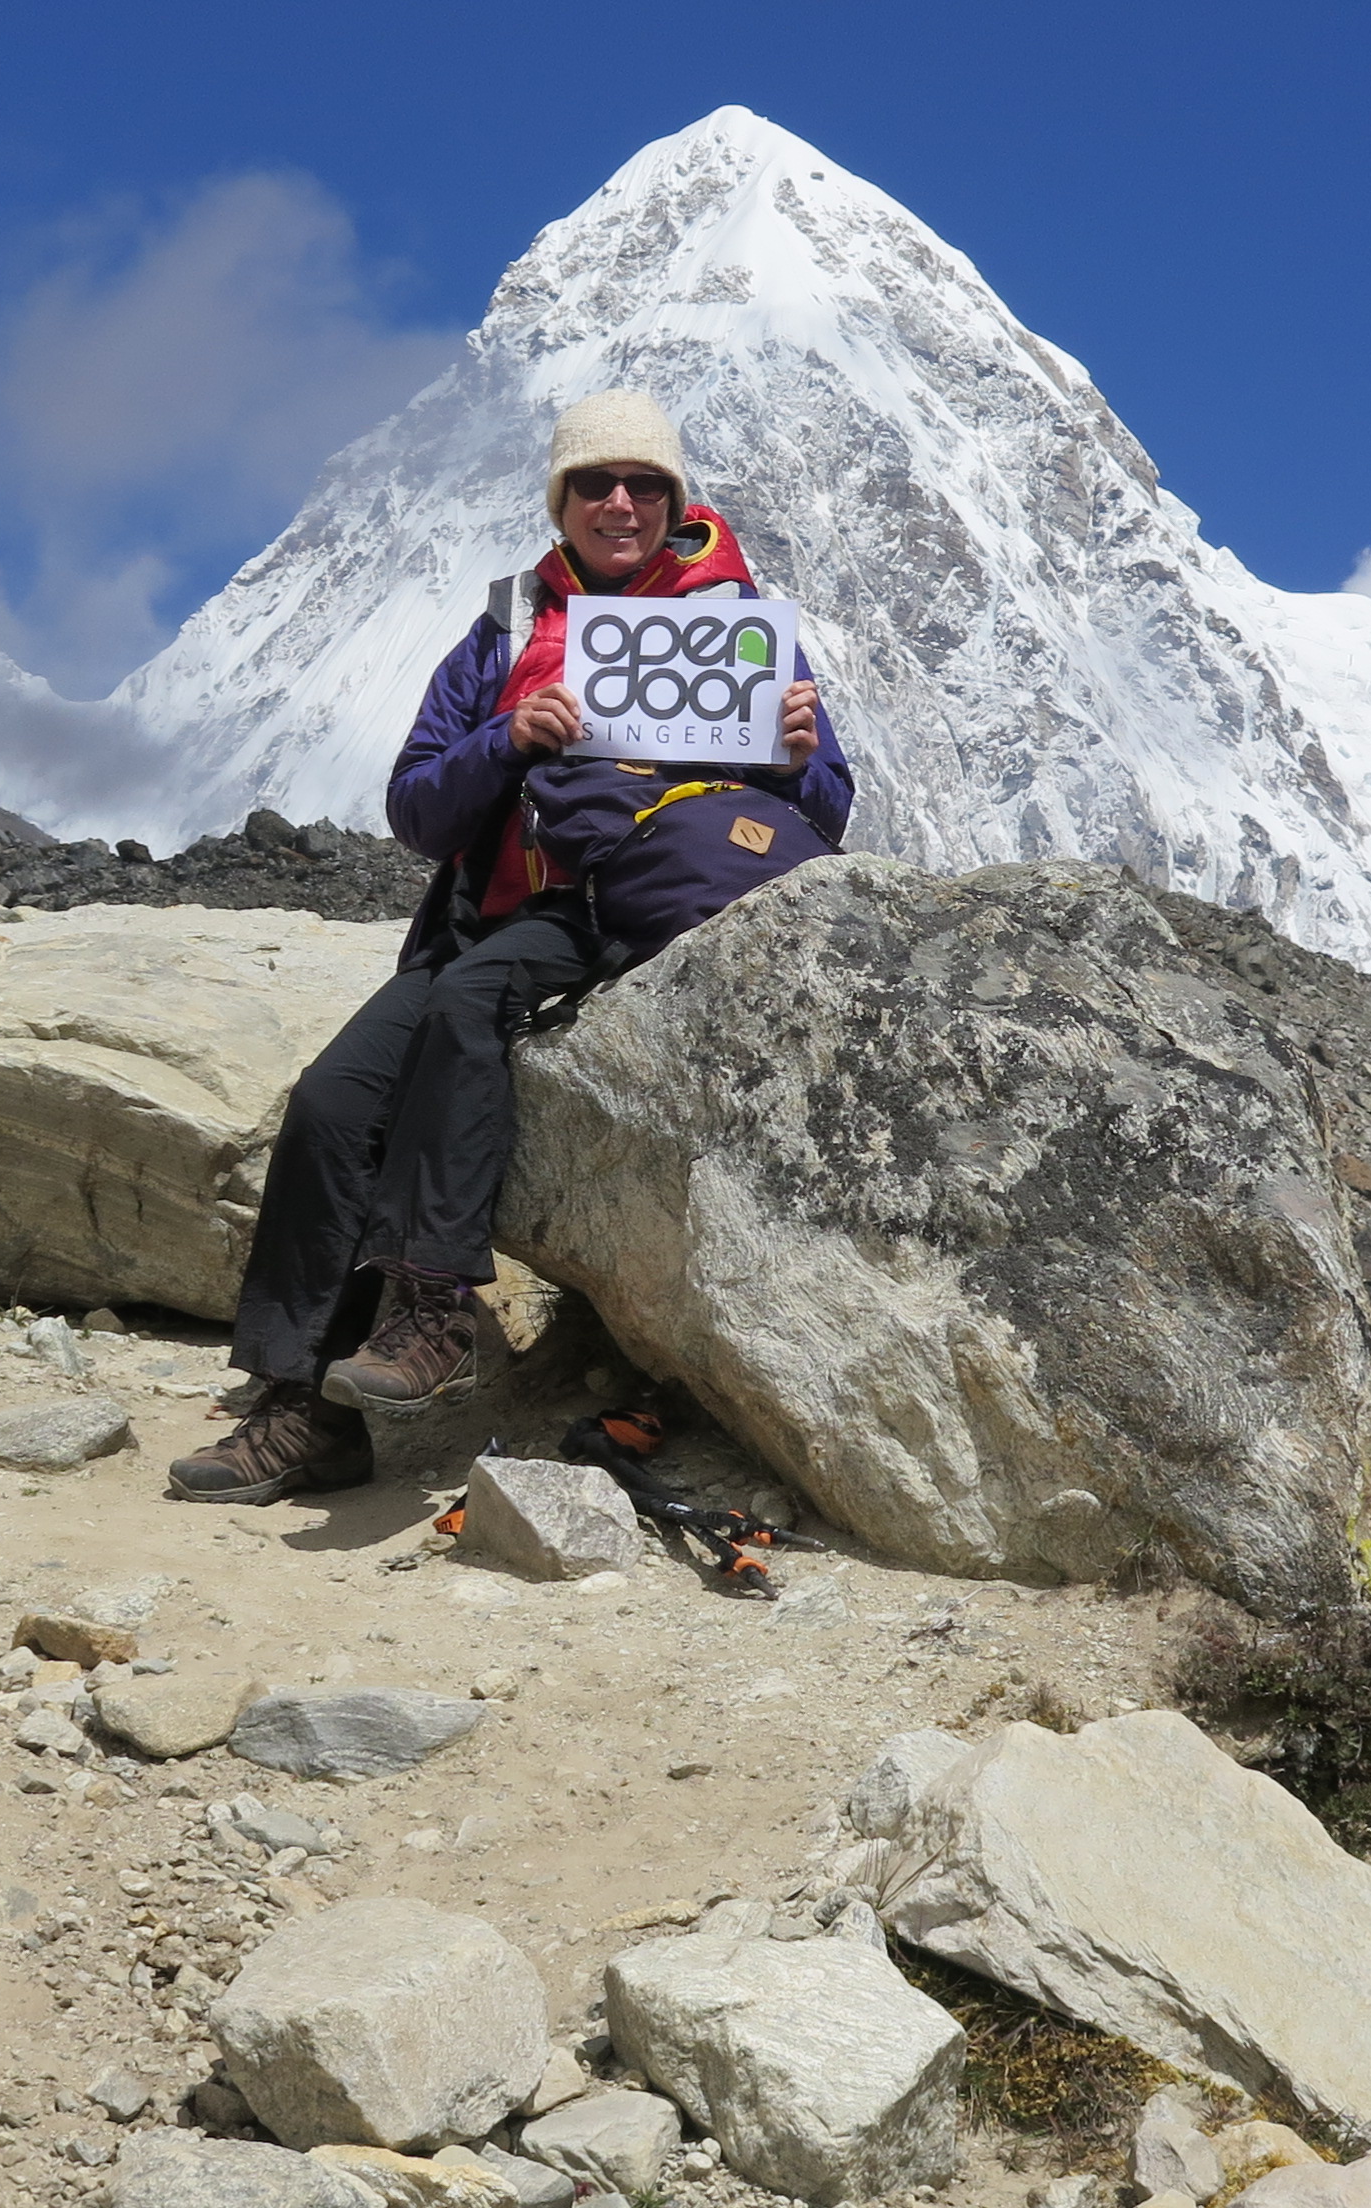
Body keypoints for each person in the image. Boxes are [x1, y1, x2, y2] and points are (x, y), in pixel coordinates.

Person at [168, 391, 858, 1503]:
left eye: (643, 484)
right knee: (333, 1102)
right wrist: (505, 739)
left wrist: (789, 756)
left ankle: (428, 1309)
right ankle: (298, 1407)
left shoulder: (738, 623)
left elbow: (822, 815)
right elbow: (418, 809)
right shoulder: (504, 627)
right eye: (594, 484)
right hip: (487, 913)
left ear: (677, 500)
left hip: (625, 917)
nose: (619, 504)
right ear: (562, 501)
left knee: (467, 1008)